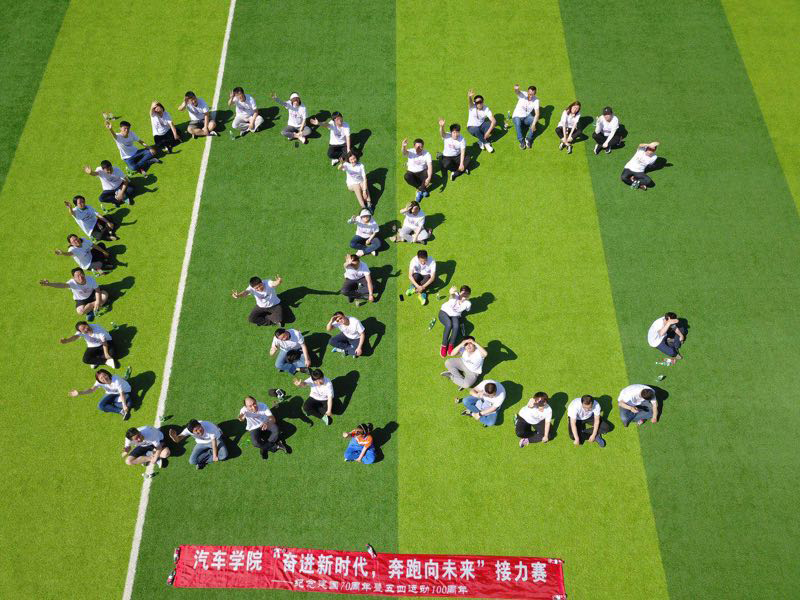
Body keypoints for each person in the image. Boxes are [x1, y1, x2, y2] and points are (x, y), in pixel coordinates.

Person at [40, 267, 109, 319]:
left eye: (81, 274)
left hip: (92, 294)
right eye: (77, 276)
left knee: (105, 295)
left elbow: (97, 290)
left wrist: (98, 301)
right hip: (81, 299)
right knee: (80, 312)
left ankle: (91, 308)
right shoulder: (72, 283)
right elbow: (61, 285)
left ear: (84, 274)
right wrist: (49, 284)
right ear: (74, 278)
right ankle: (95, 306)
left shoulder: (90, 279)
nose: (80, 277)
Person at [438, 285, 471, 357]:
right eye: (463, 292)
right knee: (449, 325)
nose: (465, 295)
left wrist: (462, 301)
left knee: (456, 326)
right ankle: (444, 345)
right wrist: (451, 293)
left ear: (469, 295)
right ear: (460, 292)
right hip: (444, 312)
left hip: (455, 316)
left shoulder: (467, 303)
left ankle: (451, 345)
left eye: (467, 293)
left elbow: (467, 309)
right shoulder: (455, 295)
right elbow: (452, 296)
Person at [401, 137, 432, 201]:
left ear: (423, 147)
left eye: (421, 147)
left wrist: (429, 177)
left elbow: (430, 166)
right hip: (411, 173)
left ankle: (419, 191)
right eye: (417, 147)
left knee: (426, 173)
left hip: (422, 172)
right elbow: (404, 152)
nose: (419, 148)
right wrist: (403, 146)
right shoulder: (411, 151)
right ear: (414, 146)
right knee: (406, 176)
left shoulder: (427, 154)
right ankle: (422, 189)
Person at [511, 84, 540, 150]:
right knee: (518, 123)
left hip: (526, 118)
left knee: (535, 121)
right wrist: (516, 89)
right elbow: (517, 92)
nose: (530, 96)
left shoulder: (536, 100)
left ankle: (528, 139)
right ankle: (521, 140)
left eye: (532, 94)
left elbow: (537, 114)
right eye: (529, 94)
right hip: (517, 116)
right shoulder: (523, 94)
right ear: (527, 92)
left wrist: (533, 124)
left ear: (535, 93)